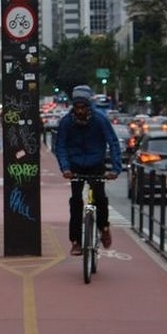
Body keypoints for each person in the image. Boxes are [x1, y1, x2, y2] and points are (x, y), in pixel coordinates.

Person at [55, 85, 122, 255]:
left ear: (88, 106)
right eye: (76, 107)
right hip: (75, 165)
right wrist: (65, 168)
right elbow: (60, 146)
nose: (79, 111)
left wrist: (115, 168)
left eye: (83, 107)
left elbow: (113, 143)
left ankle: (104, 227)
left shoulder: (100, 120)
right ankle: (76, 241)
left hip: (96, 163)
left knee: (100, 198)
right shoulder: (66, 123)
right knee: (76, 202)